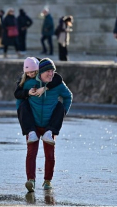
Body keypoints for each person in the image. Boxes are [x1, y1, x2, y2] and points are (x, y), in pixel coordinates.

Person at [16, 58, 72, 192]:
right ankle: (31, 181)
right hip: (33, 125)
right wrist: (22, 117)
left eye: (53, 71)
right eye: (48, 71)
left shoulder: (58, 84)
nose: (51, 74)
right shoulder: (30, 83)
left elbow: (68, 96)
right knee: (31, 153)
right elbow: (19, 98)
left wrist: (63, 113)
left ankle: (47, 181)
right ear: (40, 72)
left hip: (49, 126)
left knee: (50, 154)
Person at [15, 57, 65, 144]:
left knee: (60, 107)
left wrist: (45, 88)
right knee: (24, 105)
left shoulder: (43, 67)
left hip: (46, 114)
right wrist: (28, 92)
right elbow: (17, 94)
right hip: (32, 113)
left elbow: (58, 78)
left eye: (32, 72)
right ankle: (30, 132)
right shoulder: (25, 79)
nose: (30, 75)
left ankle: (49, 131)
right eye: (27, 73)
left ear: (37, 70)